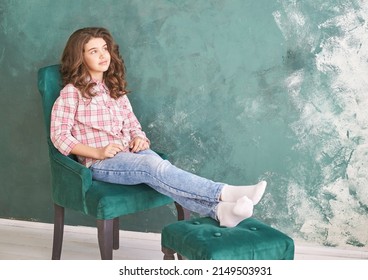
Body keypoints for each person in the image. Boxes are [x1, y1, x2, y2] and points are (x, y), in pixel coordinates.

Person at [50, 27, 267, 228]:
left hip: (131, 151)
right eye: (93, 51)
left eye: (104, 49)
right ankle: (225, 192)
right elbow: (59, 136)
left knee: (162, 171)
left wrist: (139, 137)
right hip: (101, 162)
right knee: (153, 167)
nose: (103, 55)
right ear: (81, 57)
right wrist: (97, 152)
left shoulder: (113, 87)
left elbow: (132, 122)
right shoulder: (72, 92)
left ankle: (219, 211)